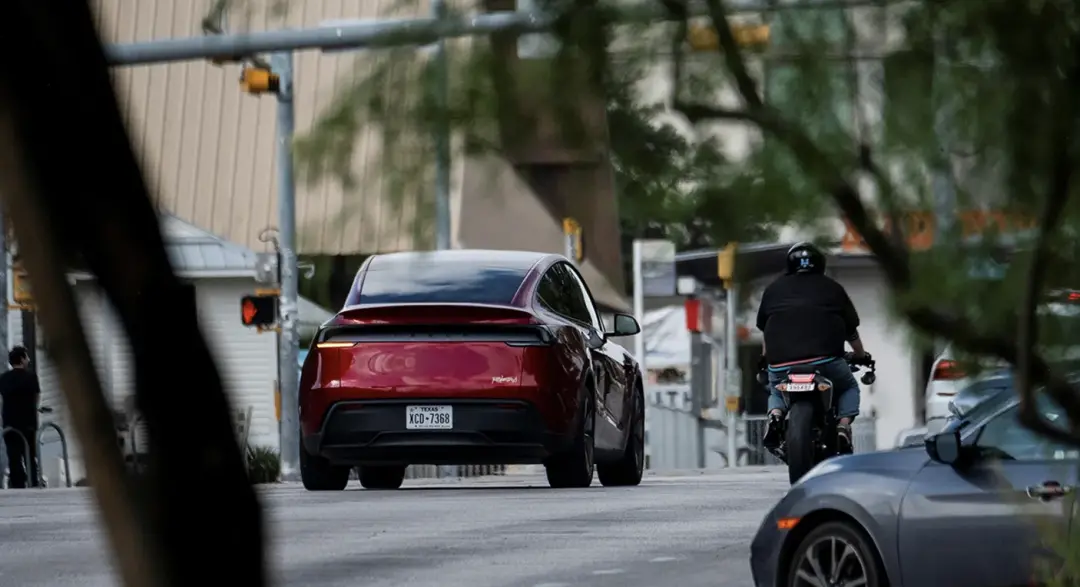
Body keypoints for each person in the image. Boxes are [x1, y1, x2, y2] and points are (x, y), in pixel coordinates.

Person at [755, 242, 868, 453]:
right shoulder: (833, 288)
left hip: (780, 363)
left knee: (776, 390)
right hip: (826, 361)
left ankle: (775, 416)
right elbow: (850, 331)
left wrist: (764, 359)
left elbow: (766, 329)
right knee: (849, 387)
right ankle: (843, 427)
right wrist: (861, 356)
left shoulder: (773, 290)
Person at [0, 346, 40, 488]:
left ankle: (18, 484)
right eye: (26, 357)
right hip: (28, 422)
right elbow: (36, 397)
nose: (28, 360)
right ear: (22, 359)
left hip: (10, 421)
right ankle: (33, 482)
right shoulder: (31, 377)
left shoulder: (3, 378)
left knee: (14, 456)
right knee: (30, 455)